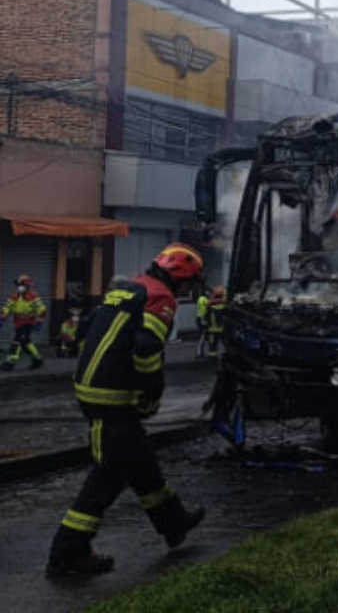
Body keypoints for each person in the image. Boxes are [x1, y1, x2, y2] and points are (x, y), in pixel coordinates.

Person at [45, 243, 208, 578]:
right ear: (181, 277)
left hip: (94, 385)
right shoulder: (160, 296)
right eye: (190, 283)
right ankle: (67, 553)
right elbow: (147, 351)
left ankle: (174, 523)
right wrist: (151, 395)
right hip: (113, 397)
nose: (190, 290)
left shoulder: (129, 288)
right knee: (109, 475)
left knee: (141, 462)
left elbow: (86, 328)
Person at [1, 274, 47, 371]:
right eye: (18, 285)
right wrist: (3, 316)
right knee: (26, 342)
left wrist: (38, 322)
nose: (19, 287)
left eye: (22, 285)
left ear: (28, 286)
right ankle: (38, 359)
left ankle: (9, 362)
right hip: (18, 322)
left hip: (28, 322)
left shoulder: (33, 296)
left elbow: (42, 309)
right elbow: (7, 306)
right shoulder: (14, 295)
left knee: (17, 340)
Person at [201, 286, 227, 359]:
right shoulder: (224, 305)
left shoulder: (209, 306)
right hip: (222, 328)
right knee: (225, 343)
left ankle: (212, 356)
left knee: (212, 344)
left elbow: (206, 317)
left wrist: (204, 324)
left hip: (212, 329)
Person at [194, 288, 210, 360]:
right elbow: (207, 308)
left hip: (200, 318)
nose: (209, 294)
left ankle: (200, 353)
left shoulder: (201, 299)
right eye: (208, 292)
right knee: (202, 338)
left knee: (202, 337)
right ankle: (198, 353)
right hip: (202, 319)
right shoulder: (204, 299)